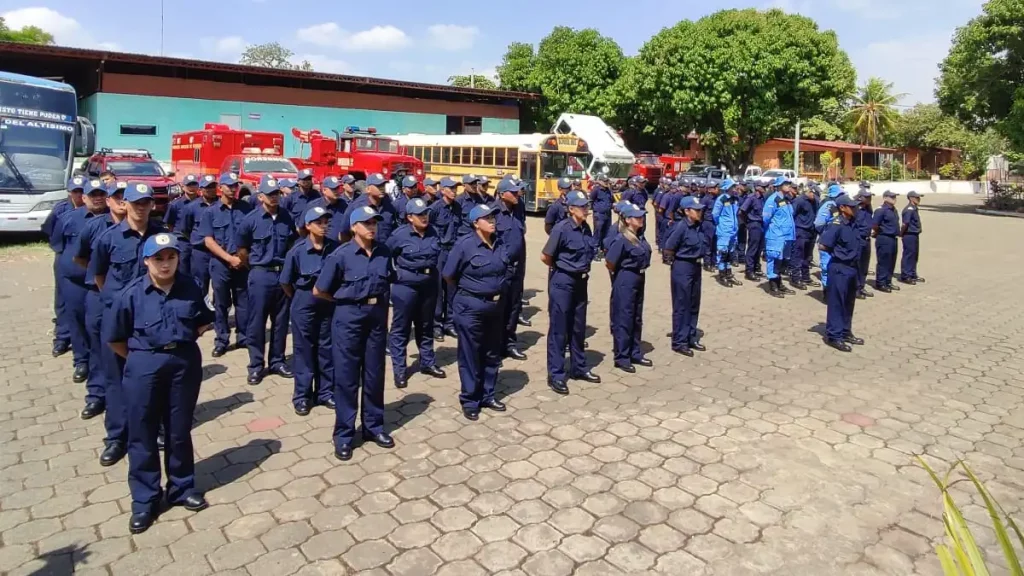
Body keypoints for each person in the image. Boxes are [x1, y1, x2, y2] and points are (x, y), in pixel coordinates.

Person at [106, 232, 214, 534]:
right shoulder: (131, 294)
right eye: (158, 258)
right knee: (143, 432)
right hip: (144, 366)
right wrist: (142, 359)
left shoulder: (190, 287)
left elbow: (204, 319)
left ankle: (181, 487)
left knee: (179, 430)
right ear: (146, 261)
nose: (166, 264)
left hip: (183, 364)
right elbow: (115, 339)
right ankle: (145, 500)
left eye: (171, 257)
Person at [89, 181, 166, 466]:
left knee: (153, 378)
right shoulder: (109, 238)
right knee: (116, 378)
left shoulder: (161, 237)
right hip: (118, 318)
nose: (141, 207)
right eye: (136, 202)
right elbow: (98, 276)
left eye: (146, 202)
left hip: (152, 318)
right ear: (125, 204)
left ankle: (153, 429)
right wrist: (117, 303)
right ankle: (117, 437)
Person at [314, 206, 396, 461]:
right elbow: (320, 291)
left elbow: (389, 280)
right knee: (347, 378)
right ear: (353, 227)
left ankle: (373, 427)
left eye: (374, 223)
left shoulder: (384, 252)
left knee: (374, 374)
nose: (372, 227)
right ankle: (344, 435)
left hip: (376, 317)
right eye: (366, 223)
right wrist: (347, 301)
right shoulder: (341, 255)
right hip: (349, 318)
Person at [442, 203, 510, 420]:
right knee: (471, 354)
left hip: (495, 307)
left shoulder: (499, 243)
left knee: (492, 353)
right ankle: (470, 399)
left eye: (493, 217)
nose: (492, 221)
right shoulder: (465, 245)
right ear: (475, 223)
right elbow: (449, 275)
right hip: (470, 307)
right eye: (487, 218)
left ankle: (488, 394)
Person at [237, 175, 297, 385]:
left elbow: (291, 242)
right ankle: (255, 365)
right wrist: (254, 267)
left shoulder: (286, 217)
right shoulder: (251, 219)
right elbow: (242, 249)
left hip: (282, 275)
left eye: (276, 194)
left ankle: (277, 360)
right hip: (260, 274)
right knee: (257, 322)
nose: (274, 198)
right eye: (269, 194)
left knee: (281, 321)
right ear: (260, 196)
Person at [541, 190, 601, 395]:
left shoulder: (585, 228)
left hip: (581, 282)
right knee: (559, 330)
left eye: (587, 206)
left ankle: (578, 368)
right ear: (571, 209)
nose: (586, 209)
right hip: (563, 282)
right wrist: (562, 269)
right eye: (582, 206)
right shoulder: (561, 229)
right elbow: (546, 256)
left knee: (578, 328)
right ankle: (556, 374)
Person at [281, 207, 338, 416]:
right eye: (318, 222)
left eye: (326, 222)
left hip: (328, 303)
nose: (324, 226)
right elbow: (286, 283)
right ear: (308, 226)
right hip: (304, 303)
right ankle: (303, 396)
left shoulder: (334, 248)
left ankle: (325, 392)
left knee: (326, 347)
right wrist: (300, 299)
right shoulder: (296, 251)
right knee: (304, 350)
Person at [78, 182, 127, 420]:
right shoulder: (96, 227)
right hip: (100, 298)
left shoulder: (148, 230)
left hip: (132, 303)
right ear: (109, 201)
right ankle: (97, 396)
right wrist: (106, 288)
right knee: (100, 351)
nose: (122, 201)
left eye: (125, 197)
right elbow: (80, 258)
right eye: (117, 197)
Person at [51, 179, 108, 383]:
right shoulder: (68, 218)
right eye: (93, 194)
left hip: (100, 284)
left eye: (101, 193)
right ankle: (81, 361)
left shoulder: (113, 221)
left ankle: (100, 362)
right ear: (83, 198)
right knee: (76, 320)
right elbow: (57, 243)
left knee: (98, 324)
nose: (98, 198)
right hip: (74, 281)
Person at [387, 198, 446, 388]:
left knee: (426, 326)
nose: (424, 218)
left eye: (425, 214)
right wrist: (394, 277)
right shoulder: (399, 235)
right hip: (406, 287)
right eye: (420, 215)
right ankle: (400, 370)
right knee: (401, 329)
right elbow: (386, 256)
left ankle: (427, 362)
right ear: (410, 217)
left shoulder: (433, 232)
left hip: (428, 285)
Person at [200, 172, 252, 358]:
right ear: (220, 187)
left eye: (235, 185)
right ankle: (222, 340)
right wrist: (229, 259)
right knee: (221, 303)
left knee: (243, 302)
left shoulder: (246, 208)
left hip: (243, 263)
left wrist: (243, 258)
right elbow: (208, 241)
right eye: (228, 185)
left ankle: (243, 337)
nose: (232, 188)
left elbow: (250, 235)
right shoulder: (210, 212)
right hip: (221, 263)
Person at [606, 203, 653, 372]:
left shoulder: (640, 236)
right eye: (637, 216)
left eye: (641, 216)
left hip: (639, 277)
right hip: (625, 278)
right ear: (627, 220)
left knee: (636, 317)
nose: (641, 219)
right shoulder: (621, 239)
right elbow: (610, 262)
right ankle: (622, 356)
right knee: (623, 317)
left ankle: (635, 351)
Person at [44, 176, 86, 357]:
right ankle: (62, 337)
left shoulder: (96, 212)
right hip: (65, 258)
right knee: (62, 300)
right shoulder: (61, 209)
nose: (78, 195)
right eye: (75, 191)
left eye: (81, 191)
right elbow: (50, 231)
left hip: (87, 264)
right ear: (69, 192)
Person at [818, 195, 865, 352]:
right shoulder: (836, 224)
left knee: (849, 302)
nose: (855, 208)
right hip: (839, 267)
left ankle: (845, 331)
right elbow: (823, 245)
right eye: (852, 206)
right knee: (837, 303)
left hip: (852, 268)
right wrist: (839, 254)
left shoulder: (852, 223)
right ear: (843, 208)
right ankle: (834, 336)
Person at [663, 196, 706, 356]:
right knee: (682, 304)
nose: (700, 212)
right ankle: (679, 341)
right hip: (683, 266)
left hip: (696, 266)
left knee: (694, 302)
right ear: (687, 211)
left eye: (700, 210)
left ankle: (691, 336)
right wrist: (676, 264)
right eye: (697, 210)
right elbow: (669, 248)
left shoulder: (697, 226)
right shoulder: (681, 227)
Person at [494, 179, 528, 360]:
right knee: (499, 309)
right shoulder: (494, 212)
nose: (517, 195)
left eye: (517, 192)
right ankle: (496, 347)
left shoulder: (519, 207)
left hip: (518, 266)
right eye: (513, 192)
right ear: (501, 194)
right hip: (501, 269)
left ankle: (510, 343)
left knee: (514, 307)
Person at [429, 177, 462, 341]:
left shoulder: (457, 207)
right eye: (451, 188)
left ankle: (450, 323)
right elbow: (428, 230)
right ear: (442, 190)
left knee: (452, 288)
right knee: (438, 289)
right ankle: (436, 325)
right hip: (440, 251)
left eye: (455, 188)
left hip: (453, 251)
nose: (454, 191)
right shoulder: (435, 208)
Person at [179, 175, 218, 298]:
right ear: (201, 189)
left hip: (220, 252)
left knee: (220, 287)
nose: (210, 190)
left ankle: (219, 315)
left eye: (213, 187)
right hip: (200, 252)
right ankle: (201, 313)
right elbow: (185, 229)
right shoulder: (191, 207)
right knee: (200, 285)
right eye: (207, 187)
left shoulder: (221, 205)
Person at [340, 173, 399, 245]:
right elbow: (344, 232)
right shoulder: (357, 206)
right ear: (368, 189)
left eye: (383, 185)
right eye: (378, 186)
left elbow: (395, 228)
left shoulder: (389, 204)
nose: (382, 188)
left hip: (384, 251)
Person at [763, 178, 796, 298]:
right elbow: (766, 218)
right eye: (785, 184)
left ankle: (779, 282)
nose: (788, 186)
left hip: (787, 236)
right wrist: (773, 230)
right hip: (776, 235)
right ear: (779, 186)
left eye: (788, 184)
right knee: (774, 259)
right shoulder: (773, 200)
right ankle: (773, 286)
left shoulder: (787, 200)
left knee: (783, 260)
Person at [164, 174, 200, 275]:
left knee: (198, 273)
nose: (192, 188)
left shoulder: (203, 204)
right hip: (182, 242)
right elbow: (170, 224)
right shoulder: (175, 204)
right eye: (189, 185)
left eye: (194, 185)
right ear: (183, 187)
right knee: (182, 271)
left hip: (198, 242)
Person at [814, 184, 845, 291]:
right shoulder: (828, 205)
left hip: (839, 242)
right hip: (827, 241)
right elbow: (818, 224)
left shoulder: (842, 205)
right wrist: (828, 234)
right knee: (826, 266)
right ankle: (826, 291)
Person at [712, 179, 742, 287]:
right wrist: (722, 224)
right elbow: (715, 214)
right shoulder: (722, 199)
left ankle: (729, 274)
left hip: (733, 230)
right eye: (732, 186)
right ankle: (722, 275)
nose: (735, 188)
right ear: (727, 187)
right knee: (722, 252)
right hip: (724, 230)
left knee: (730, 252)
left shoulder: (735, 199)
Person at [872, 191, 901, 293]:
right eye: (891, 197)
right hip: (884, 238)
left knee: (891, 261)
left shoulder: (893, 210)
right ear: (885, 198)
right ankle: (880, 282)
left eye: (894, 197)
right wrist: (879, 232)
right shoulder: (881, 210)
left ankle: (888, 281)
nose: (894, 199)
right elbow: (875, 224)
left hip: (893, 238)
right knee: (883, 261)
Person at [791, 183, 819, 289]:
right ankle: (795, 278)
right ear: (808, 191)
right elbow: (792, 215)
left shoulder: (815, 201)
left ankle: (805, 277)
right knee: (798, 255)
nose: (815, 197)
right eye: (813, 194)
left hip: (811, 231)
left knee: (808, 257)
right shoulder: (799, 201)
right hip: (800, 231)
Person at [307, 176, 350, 242]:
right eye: (333, 189)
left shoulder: (344, 205)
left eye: (337, 188)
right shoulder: (313, 206)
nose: (336, 191)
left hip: (338, 247)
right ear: (324, 190)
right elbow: (302, 228)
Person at [739, 182, 766, 281]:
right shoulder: (751, 198)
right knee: (752, 248)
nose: (765, 188)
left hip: (761, 224)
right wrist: (748, 222)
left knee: (759, 248)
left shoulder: (763, 198)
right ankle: (749, 271)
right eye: (763, 186)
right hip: (754, 224)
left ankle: (755, 268)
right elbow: (742, 211)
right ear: (757, 188)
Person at [899, 191, 924, 284]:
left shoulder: (914, 208)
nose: (919, 199)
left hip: (914, 234)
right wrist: (901, 233)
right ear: (911, 198)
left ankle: (912, 273)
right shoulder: (909, 209)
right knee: (908, 255)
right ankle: (906, 275)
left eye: (919, 197)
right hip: (909, 234)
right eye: (916, 197)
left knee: (914, 255)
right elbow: (905, 223)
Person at [853, 190, 875, 299]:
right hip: (858, 239)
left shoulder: (868, 208)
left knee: (864, 266)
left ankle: (861, 286)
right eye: (868, 197)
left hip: (867, 239)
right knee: (857, 265)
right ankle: (855, 289)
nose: (870, 199)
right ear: (861, 198)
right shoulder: (855, 209)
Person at [589, 174, 614, 260]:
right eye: (605, 181)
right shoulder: (596, 190)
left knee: (607, 233)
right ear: (600, 182)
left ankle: (604, 251)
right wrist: (596, 210)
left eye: (607, 181)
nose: (607, 183)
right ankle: (595, 252)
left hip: (608, 214)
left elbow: (612, 200)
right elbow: (591, 200)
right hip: (599, 215)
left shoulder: (608, 190)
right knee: (597, 234)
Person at [699, 180, 718, 272]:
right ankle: (707, 264)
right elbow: (700, 213)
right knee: (708, 244)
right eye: (715, 187)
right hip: (708, 223)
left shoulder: (718, 198)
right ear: (710, 189)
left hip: (716, 224)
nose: (717, 189)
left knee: (715, 244)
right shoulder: (705, 199)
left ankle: (714, 262)